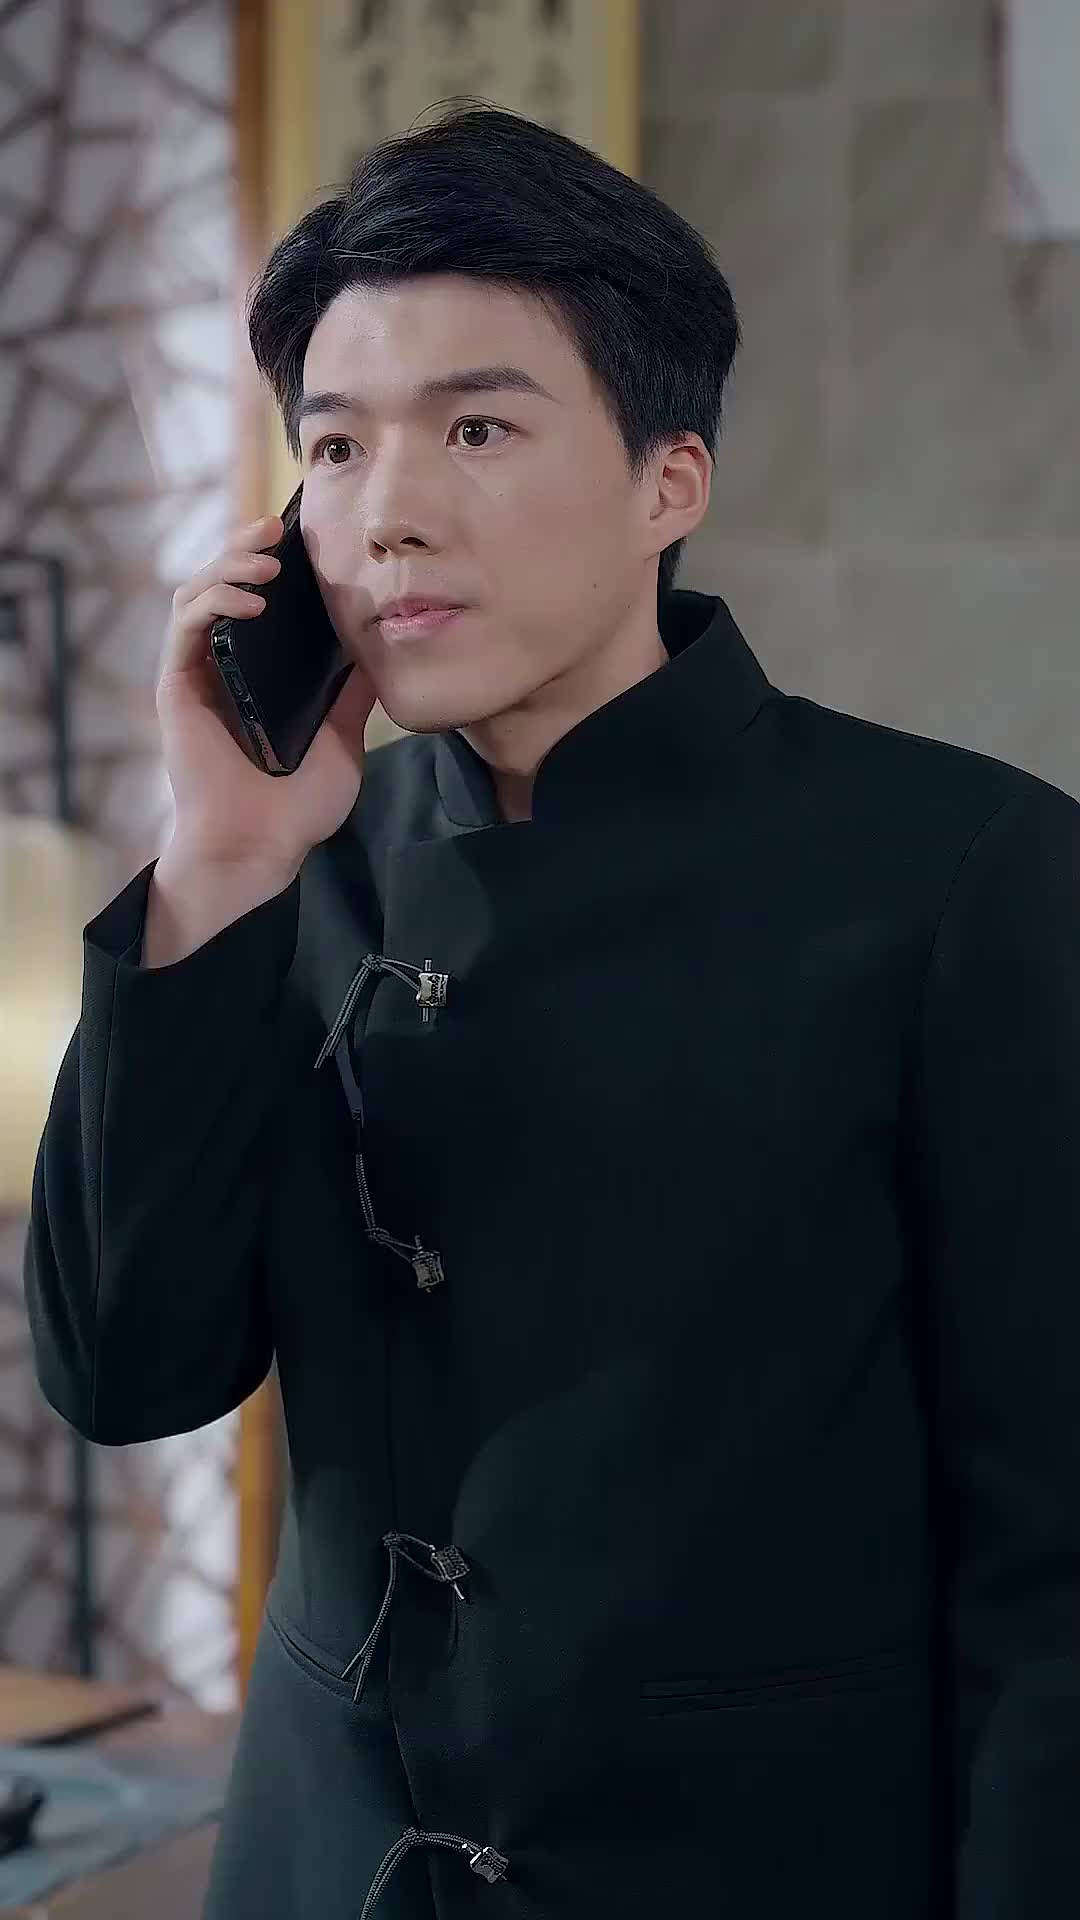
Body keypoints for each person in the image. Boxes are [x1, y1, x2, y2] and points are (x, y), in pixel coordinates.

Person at [23, 102, 1080, 1920]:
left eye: (479, 428)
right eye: (335, 445)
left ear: (673, 481)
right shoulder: (285, 865)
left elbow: (1056, 1571)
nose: (389, 511)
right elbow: (124, 1375)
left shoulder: (965, 871)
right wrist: (212, 866)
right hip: (326, 1875)